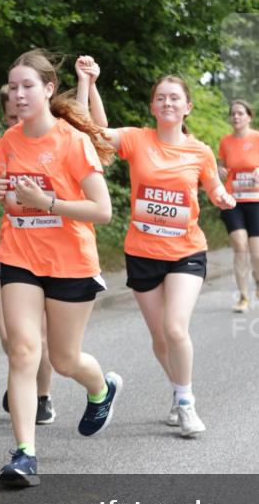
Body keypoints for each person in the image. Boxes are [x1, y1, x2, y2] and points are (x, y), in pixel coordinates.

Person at [0, 50, 121, 487]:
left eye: (28, 86)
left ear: (47, 90)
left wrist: (45, 201)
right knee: (23, 350)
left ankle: (101, 388)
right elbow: (3, 201)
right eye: (14, 87)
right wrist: (7, 198)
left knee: (64, 359)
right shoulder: (1, 147)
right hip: (20, 257)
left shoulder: (73, 141)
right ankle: (24, 454)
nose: (19, 94)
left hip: (70, 261)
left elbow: (102, 210)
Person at [79, 60, 236, 437]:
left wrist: (223, 196)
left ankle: (186, 403)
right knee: (160, 339)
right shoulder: (137, 139)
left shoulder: (199, 152)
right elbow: (96, 132)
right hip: (143, 252)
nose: (167, 103)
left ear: (187, 108)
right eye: (161, 98)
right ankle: (179, 387)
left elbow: (212, 186)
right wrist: (89, 82)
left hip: (186, 251)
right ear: (153, 107)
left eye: (175, 98)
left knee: (175, 328)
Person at [0, 85, 55, 425]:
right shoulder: (4, 147)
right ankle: (23, 372)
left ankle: (41, 396)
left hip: (51, 254)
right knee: (9, 334)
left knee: (41, 337)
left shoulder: (53, 141)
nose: (19, 119)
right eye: (12, 115)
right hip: (12, 249)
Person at [217, 100, 259, 312]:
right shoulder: (225, 142)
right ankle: (243, 297)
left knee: (258, 253)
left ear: (249, 117)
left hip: (256, 200)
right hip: (232, 200)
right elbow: (220, 165)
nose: (236, 117)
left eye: (240, 113)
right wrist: (220, 171)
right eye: (233, 114)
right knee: (239, 247)